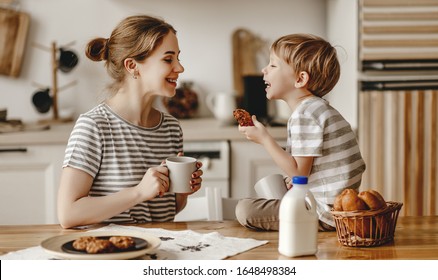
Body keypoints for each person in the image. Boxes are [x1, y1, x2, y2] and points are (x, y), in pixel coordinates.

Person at [57, 15, 203, 229]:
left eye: (178, 58)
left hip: (160, 252)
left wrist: (181, 191)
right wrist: (138, 192)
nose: (180, 68)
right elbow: (68, 214)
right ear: (133, 65)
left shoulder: (171, 128)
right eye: (168, 59)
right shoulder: (94, 126)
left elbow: (167, 212)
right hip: (112, 254)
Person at [235, 33, 366, 231]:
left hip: (323, 213)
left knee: (245, 209)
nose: (264, 70)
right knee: (278, 184)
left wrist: (264, 139)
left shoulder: (304, 115)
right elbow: (308, 170)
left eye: (272, 65)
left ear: (300, 78)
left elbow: (299, 173)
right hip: (334, 209)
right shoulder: (317, 109)